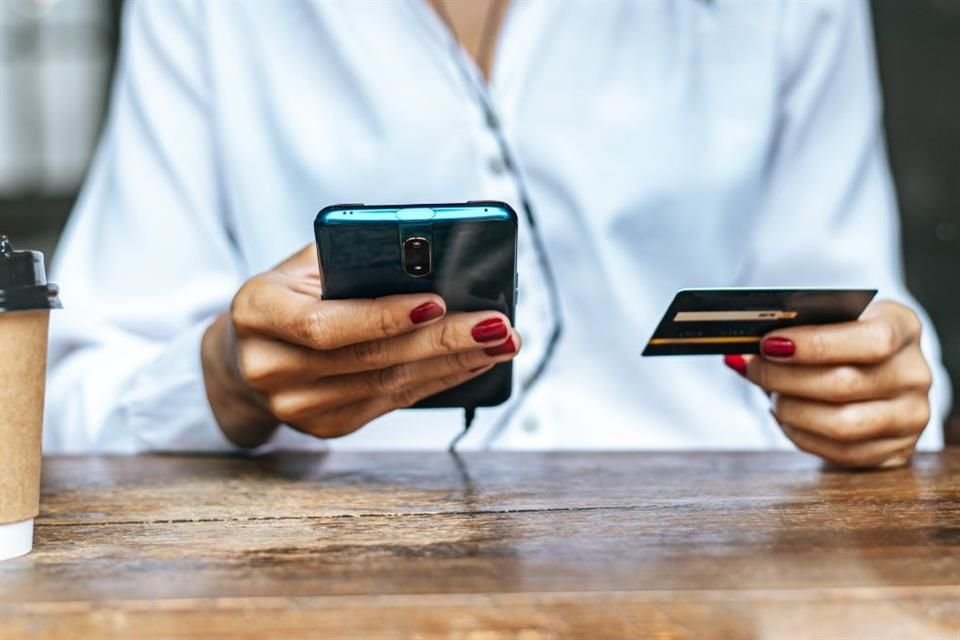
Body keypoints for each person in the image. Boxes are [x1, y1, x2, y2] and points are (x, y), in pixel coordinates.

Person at [46, 0, 949, 467]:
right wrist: (224, 381)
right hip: (328, 581)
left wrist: (879, 398)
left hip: (725, 572)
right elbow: (69, 404)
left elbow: (874, 338)